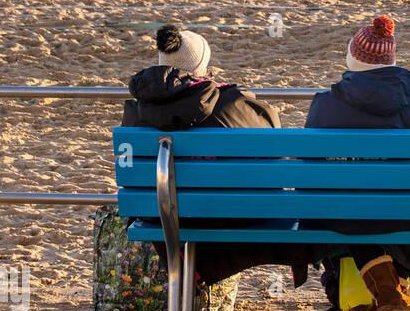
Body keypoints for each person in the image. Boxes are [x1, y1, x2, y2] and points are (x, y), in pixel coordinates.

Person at [121, 25, 324, 289]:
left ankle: (192, 272)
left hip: (162, 215)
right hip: (236, 213)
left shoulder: (136, 112)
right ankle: (293, 254)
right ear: (203, 66)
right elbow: (275, 155)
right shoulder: (233, 103)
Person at [302, 15, 410, 311]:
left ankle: (383, 294)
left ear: (353, 58)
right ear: (392, 62)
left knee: (350, 204)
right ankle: (392, 293)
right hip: (408, 214)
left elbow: (308, 165)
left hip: (341, 215)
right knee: (400, 204)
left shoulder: (325, 104)